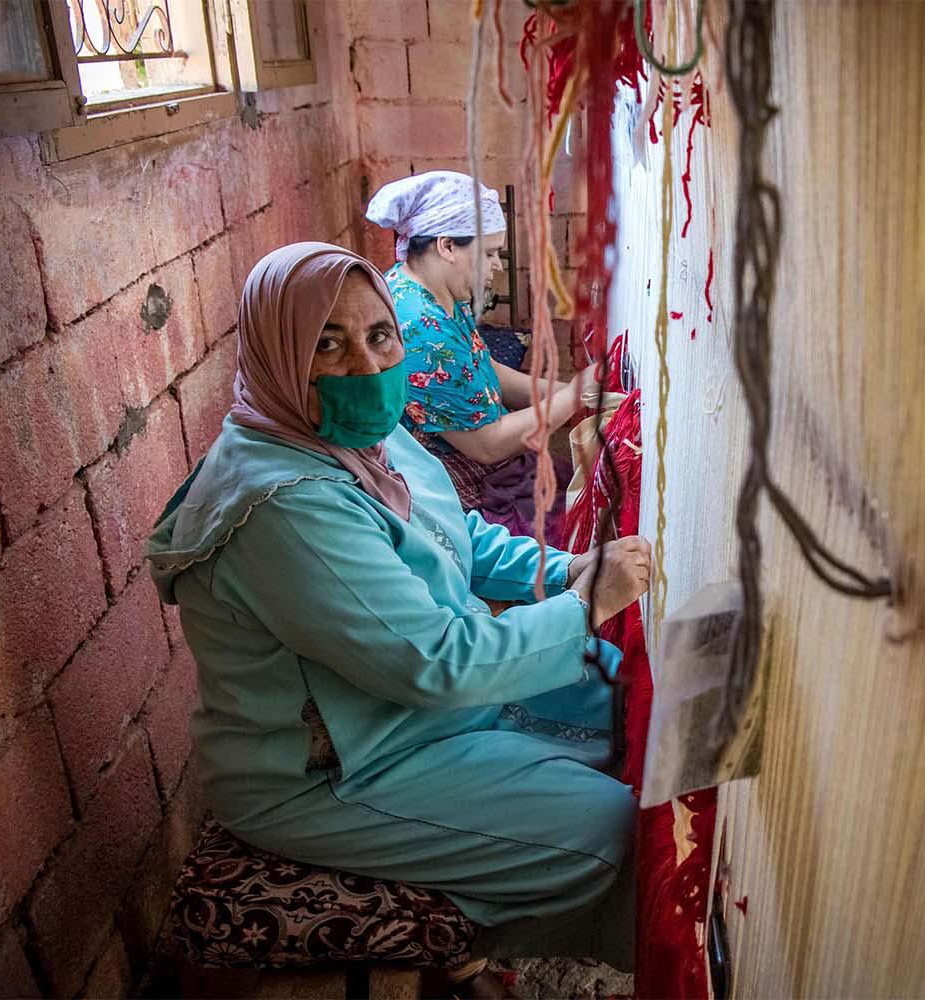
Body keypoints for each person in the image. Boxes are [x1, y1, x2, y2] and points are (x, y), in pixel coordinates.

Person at [146, 242, 650, 980]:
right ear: (277, 352)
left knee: (606, 685)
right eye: (328, 343)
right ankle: (476, 933)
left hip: (400, 710)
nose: (368, 365)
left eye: (380, 336)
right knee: (609, 834)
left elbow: (461, 536)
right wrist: (583, 604)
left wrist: (566, 569)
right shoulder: (282, 507)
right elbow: (433, 662)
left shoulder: (359, 434)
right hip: (334, 771)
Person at [365, 171, 592, 545]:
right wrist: (573, 397)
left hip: (475, 454)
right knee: (571, 532)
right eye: (489, 253)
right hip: (451, 485)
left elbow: (482, 365)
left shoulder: (432, 291)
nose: (499, 265)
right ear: (447, 246)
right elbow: (488, 446)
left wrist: (565, 391)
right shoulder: (421, 330)